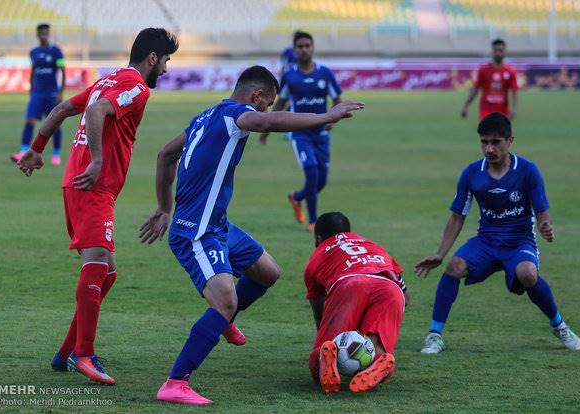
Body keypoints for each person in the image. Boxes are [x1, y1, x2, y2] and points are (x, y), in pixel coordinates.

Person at [138, 65, 363, 405]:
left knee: (267, 271)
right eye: (267, 103)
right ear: (256, 97)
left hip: (218, 225)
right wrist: (325, 116)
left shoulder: (206, 115)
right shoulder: (237, 114)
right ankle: (175, 382)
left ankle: (223, 321)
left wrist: (163, 207)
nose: (266, 109)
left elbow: (165, 154)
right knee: (226, 300)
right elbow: (265, 122)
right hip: (196, 231)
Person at [16, 28, 179, 384]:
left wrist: (37, 148)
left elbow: (61, 109)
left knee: (107, 272)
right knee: (96, 265)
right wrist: (97, 160)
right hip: (93, 186)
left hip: (80, 185)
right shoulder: (136, 87)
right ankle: (84, 354)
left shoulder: (108, 80)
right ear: (152, 58)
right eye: (165, 60)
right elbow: (98, 113)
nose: (166, 69)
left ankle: (65, 352)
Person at [415, 112, 580, 354]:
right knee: (454, 267)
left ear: (510, 141)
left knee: (527, 274)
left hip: (519, 241)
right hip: (487, 241)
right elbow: (457, 216)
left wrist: (546, 226)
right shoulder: (472, 173)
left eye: (496, 142)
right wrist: (440, 254)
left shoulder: (528, 171)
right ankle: (434, 335)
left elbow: (542, 211)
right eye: (484, 142)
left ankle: (559, 325)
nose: (489, 149)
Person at [304, 212, 408, 394]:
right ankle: (378, 362)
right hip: (390, 288)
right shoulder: (372, 245)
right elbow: (405, 296)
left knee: (317, 360)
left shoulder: (318, 254)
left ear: (318, 237)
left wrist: (327, 335)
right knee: (377, 352)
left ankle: (326, 358)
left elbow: (319, 309)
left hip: (350, 283)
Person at [259, 31, 342, 232]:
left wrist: (334, 119)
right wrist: (265, 128)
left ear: (312, 48)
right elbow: (281, 102)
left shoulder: (325, 73)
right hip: (300, 132)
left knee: (321, 181)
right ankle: (313, 221)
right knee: (312, 173)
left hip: (321, 133)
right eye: (300, 46)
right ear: (295, 50)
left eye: (307, 45)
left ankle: (297, 197)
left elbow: (337, 98)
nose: (304, 49)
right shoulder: (290, 76)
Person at [11, 23, 66, 166]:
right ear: (37, 35)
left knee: (54, 124)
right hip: (37, 93)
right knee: (30, 120)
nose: (44, 35)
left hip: (52, 94)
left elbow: (62, 70)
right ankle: (23, 151)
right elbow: (33, 70)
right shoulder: (33, 52)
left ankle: (56, 154)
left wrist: (60, 92)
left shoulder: (56, 51)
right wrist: (31, 90)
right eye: (41, 33)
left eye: (46, 33)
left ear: (49, 34)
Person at [461, 39, 519, 120]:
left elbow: (515, 91)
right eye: (496, 50)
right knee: (486, 132)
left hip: (503, 113)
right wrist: (466, 106)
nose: (498, 53)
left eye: (501, 50)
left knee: (504, 133)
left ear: (505, 52)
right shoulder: (483, 70)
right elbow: (475, 89)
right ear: (492, 51)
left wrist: (514, 109)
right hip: (485, 113)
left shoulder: (510, 71)